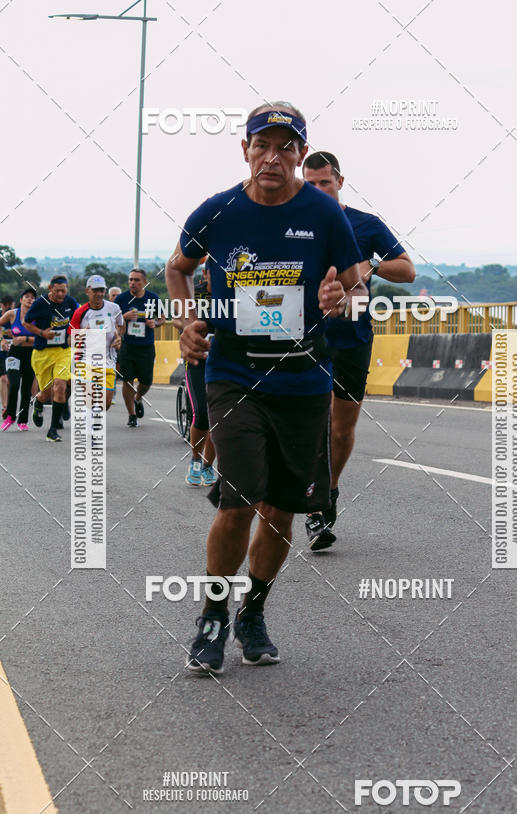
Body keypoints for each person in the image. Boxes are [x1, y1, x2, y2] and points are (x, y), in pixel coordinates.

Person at [166, 100, 366, 676]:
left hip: (303, 378)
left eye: (286, 148)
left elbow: (357, 290)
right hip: (235, 373)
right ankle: (212, 617)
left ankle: (252, 612)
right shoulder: (218, 211)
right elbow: (177, 267)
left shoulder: (324, 214)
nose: (273, 157)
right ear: (245, 150)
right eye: (262, 145)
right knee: (240, 500)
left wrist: (340, 300)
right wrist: (188, 321)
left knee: (281, 511)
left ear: (301, 156)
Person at [302, 151, 416, 549]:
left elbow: (408, 270)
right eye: (310, 184)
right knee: (312, 422)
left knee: (340, 427)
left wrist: (372, 264)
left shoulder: (366, 224)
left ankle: (329, 489)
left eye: (325, 182)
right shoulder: (292, 223)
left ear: (340, 181)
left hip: (353, 338)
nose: (319, 190)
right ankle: (315, 505)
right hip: (306, 339)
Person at [173, 264, 217, 486]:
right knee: (201, 414)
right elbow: (176, 318)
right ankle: (195, 461)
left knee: (218, 418)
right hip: (197, 361)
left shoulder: (232, 293)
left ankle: (208, 466)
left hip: (223, 362)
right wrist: (187, 326)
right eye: (213, 273)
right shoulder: (193, 293)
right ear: (205, 274)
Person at [24, 276, 78, 442]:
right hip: (42, 354)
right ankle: (38, 404)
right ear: (50, 288)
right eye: (57, 291)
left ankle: (53, 430)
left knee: (60, 386)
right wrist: (41, 333)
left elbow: (79, 317)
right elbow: (26, 322)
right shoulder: (41, 303)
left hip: (63, 351)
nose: (61, 294)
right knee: (46, 394)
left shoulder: (70, 302)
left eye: (63, 291)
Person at [115, 268, 164, 427]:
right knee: (127, 380)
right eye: (130, 279)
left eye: (136, 280)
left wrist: (154, 323)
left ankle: (138, 398)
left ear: (144, 282)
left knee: (146, 381)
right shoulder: (121, 299)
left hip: (146, 347)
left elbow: (162, 318)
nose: (132, 283)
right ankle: (132, 415)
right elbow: (111, 320)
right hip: (127, 346)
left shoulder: (153, 298)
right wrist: (124, 317)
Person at [68, 275, 123, 413]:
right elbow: (70, 341)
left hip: (108, 362)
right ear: (88, 291)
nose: (99, 294)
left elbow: (121, 325)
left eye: (101, 290)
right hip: (86, 361)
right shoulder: (80, 313)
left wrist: (118, 338)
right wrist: (84, 333)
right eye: (95, 290)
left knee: (106, 404)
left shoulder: (114, 308)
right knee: (90, 401)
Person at [0, 289, 36, 431]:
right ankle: (10, 416)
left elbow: (43, 337)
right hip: (14, 353)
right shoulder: (12, 314)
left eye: (32, 297)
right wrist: (2, 339)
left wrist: (23, 339)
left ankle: (23, 421)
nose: (30, 299)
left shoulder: (38, 317)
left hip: (31, 353)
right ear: (21, 300)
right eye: (27, 297)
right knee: (14, 384)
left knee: (26, 389)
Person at [0, 296, 15, 418]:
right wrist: (2, 338)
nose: (9, 307)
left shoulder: (17, 316)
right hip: (1, 353)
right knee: (4, 378)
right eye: (6, 305)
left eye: (11, 304)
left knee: (11, 381)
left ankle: (10, 405)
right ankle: (4, 407)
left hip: (13, 352)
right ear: (2, 305)